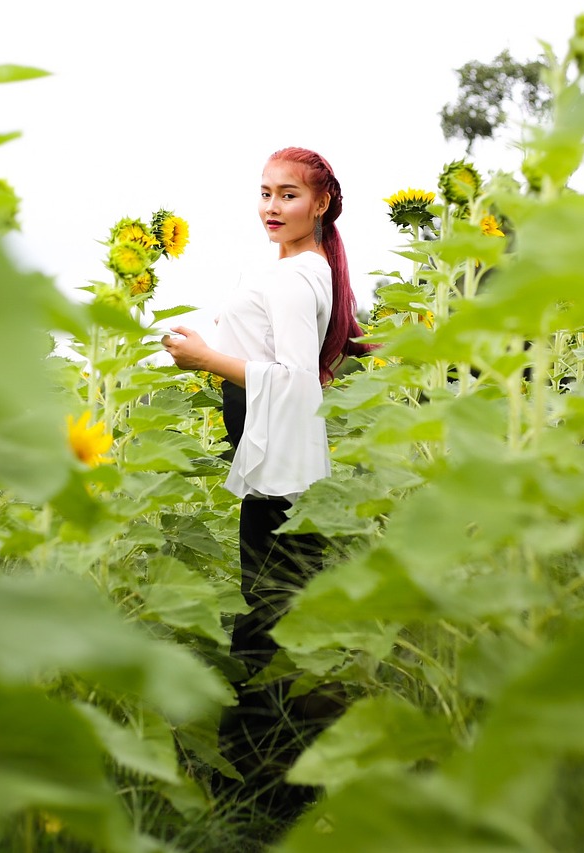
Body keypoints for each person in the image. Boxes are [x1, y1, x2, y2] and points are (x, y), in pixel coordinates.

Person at [161, 147, 370, 818]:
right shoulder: (311, 272)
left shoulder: (294, 276)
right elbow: (315, 367)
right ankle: (293, 780)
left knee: (268, 625)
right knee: (285, 617)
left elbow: (296, 379)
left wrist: (204, 357)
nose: (272, 208)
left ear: (321, 204)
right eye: (265, 193)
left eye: (288, 196)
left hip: (279, 473)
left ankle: (260, 790)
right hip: (284, 468)